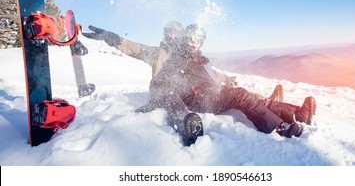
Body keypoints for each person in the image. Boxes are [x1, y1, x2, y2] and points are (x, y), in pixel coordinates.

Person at [83, 22, 316, 146]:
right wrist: (112, 38)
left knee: (243, 94)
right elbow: (134, 48)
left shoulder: (195, 57)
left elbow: (210, 75)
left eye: (177, 33)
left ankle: (289, 118)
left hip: (203, 94)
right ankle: (186, 125)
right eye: (170, 33)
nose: (173, 37)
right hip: (169, 92)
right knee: (170, 94)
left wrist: (227, 82)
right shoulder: (160, 53)